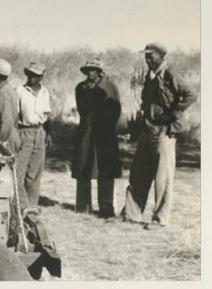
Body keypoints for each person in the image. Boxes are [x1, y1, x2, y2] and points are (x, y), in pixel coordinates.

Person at [122, 43, 197, 229]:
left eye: (151, 55)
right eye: (146, 56)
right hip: (147, 130)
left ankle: (159, 219)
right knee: (138, 173)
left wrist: (173, 113)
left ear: (162, 56)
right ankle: (131, 214)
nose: (148, 59)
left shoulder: (171, 73)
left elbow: (190, 95)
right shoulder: (150, 75)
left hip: (164, 131)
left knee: (163, 177)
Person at [72, 59, 122, 218]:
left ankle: (106, 207)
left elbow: (116, 110)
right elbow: (82, 110)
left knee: (105, 169)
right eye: (87, 70)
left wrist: (105, 126)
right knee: (83, 166)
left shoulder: (110, 87)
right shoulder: (81, 88)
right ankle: (82, 205)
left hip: (105, 133)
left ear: (100, 71)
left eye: (93, 70)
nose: (90, 73)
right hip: (86, 132)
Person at [14, 63, 51, 210]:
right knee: (19, 172)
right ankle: (21, 206)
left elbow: (48, 115)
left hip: (40, 132)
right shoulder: (20, 91)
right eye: (29, 74)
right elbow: (15, 115)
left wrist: (48, 133)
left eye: (35, 75)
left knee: (34, 174)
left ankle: (31, 207)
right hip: (24, 131)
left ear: (41, 77)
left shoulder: (45, 92)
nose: (31, 78)